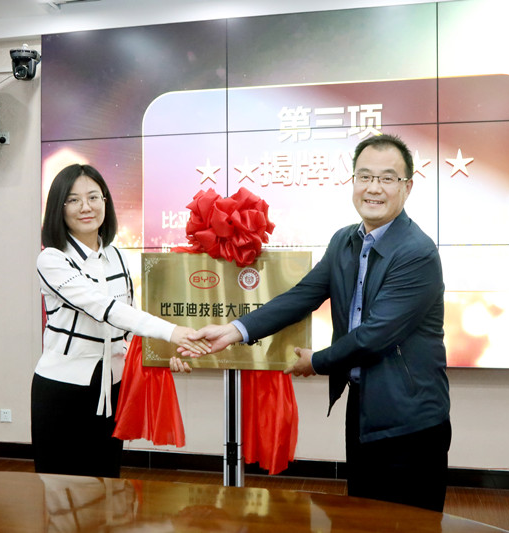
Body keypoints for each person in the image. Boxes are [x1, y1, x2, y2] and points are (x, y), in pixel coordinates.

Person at [180, 134, 451, 512]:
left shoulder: (416, 252)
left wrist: (317, 361)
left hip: (411, 418)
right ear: (353, 181)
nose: (374, 188)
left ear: (407, 187)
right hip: (364, 407)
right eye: (365, 176)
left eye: (387, 178)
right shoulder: (345, 241)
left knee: (410, 521)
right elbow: (303, 295)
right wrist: (234, 330)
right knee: (361, 516)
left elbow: (374, 336)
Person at [33, 163, 203, 478]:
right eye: (73, 200)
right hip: (62, 389)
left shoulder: (119, 256)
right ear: (59, 207)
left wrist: (168, 354)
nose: (85, 207)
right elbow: (105, 308)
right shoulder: (52, 258)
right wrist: (173, 332)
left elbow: (130, 320)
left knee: (106, 483)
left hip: (113, 386)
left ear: (105, 202)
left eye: (93, 197)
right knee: (59, 490)